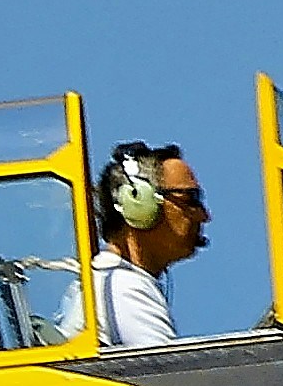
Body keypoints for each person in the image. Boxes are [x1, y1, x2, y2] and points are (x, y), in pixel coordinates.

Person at [55, 141, 206, 347]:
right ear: (139, 202)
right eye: (191, 199)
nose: (203, 215)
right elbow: (171, 366)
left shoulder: (106, 279)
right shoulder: (123, 286)